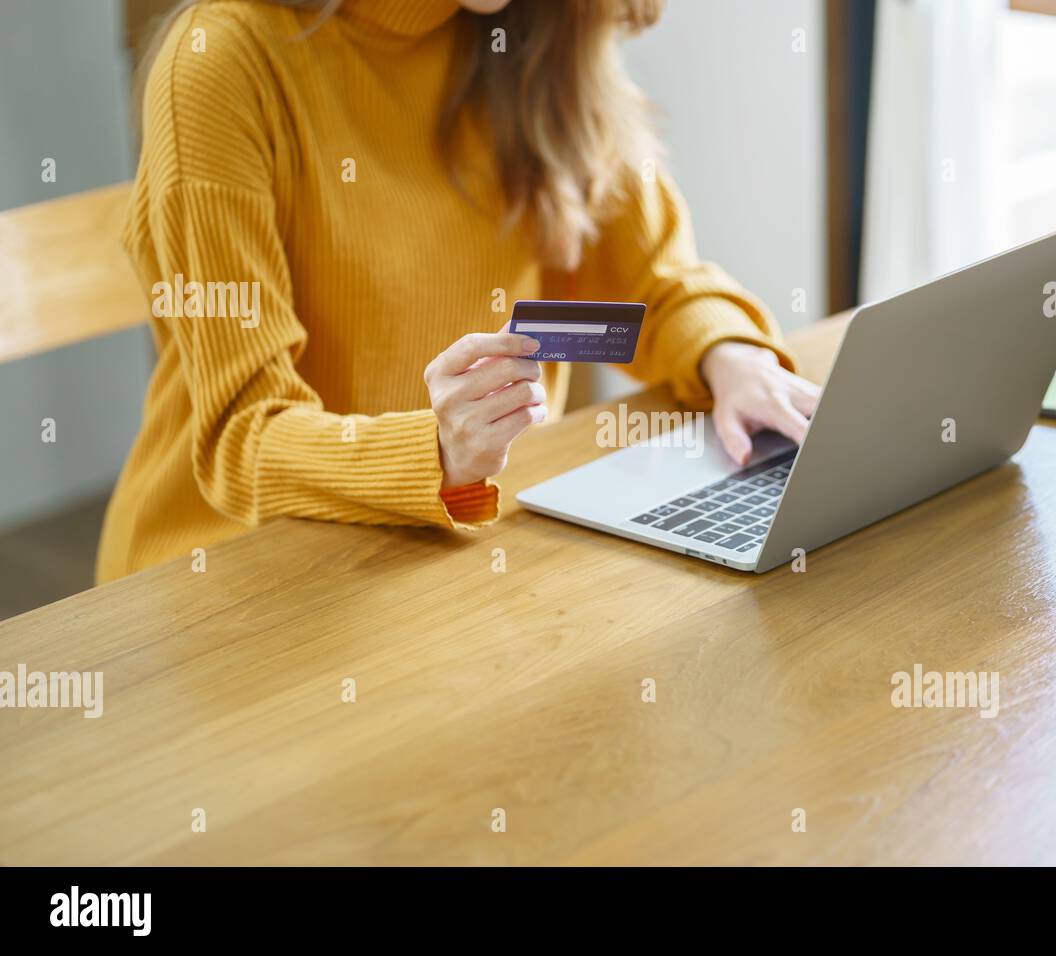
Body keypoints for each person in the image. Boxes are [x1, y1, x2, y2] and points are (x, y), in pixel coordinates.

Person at [97, 0, 821, 582]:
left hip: (454, 560)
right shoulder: (221, 63)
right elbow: (240, 438)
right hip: (233, 578)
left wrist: (730, 356)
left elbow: (649, 293)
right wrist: (436, 452)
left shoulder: (542, 36)